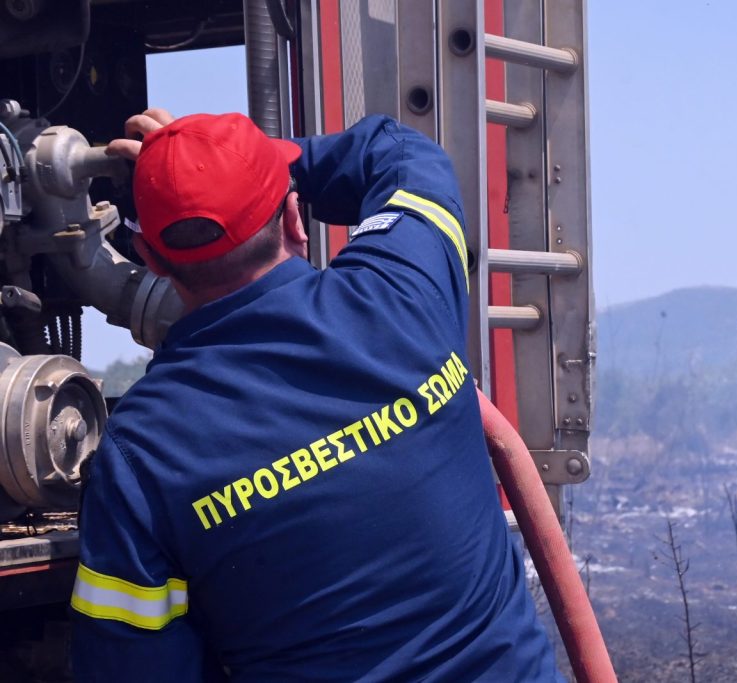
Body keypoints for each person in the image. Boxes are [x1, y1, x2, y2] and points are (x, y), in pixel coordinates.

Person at [69, 110, 562, 682]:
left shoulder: (140, 456)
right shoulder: (402, 292)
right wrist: (248, 159)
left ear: (149, 258)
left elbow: (133, 669)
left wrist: (200, 169)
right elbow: (402, 152)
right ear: (294, 216)